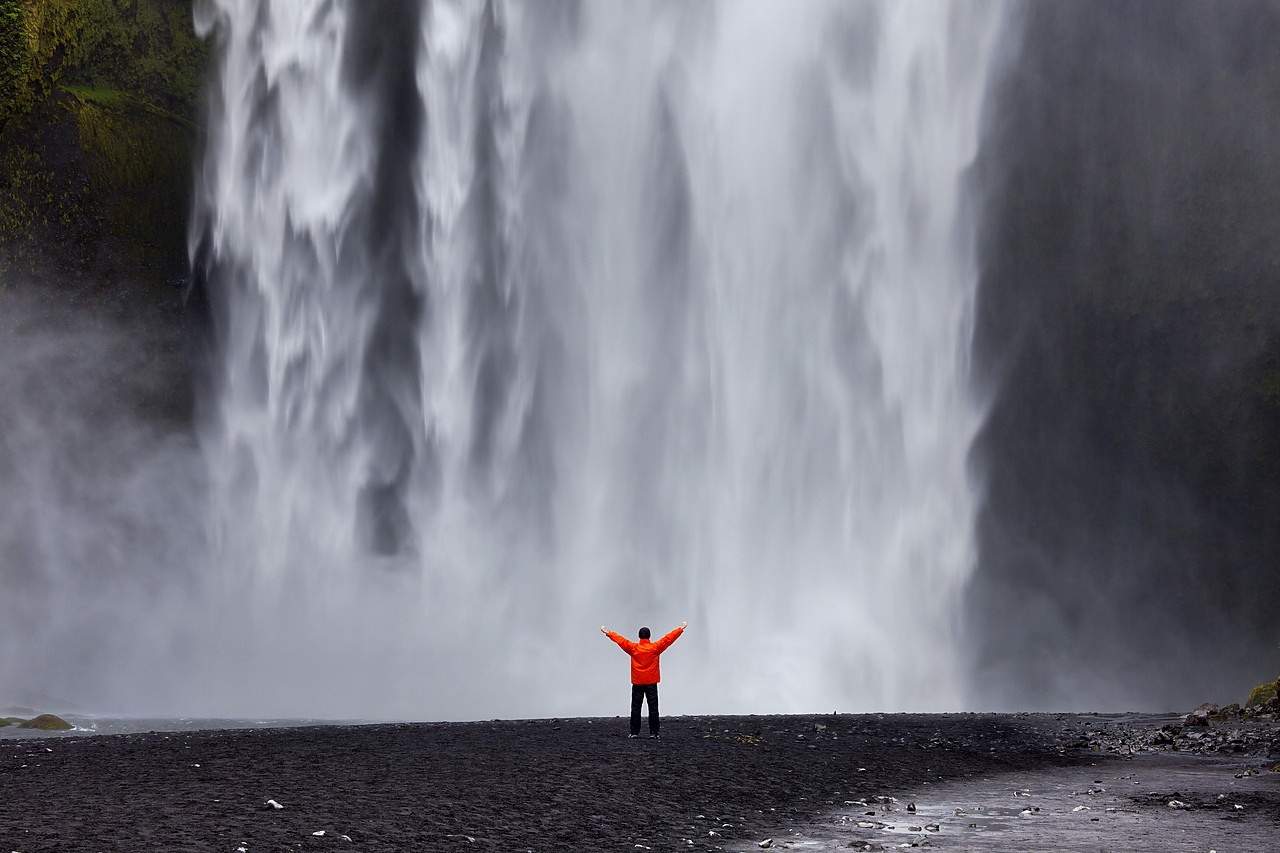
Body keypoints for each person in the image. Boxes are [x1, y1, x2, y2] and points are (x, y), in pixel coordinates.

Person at [601, 621, 686, 738]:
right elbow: (668, 639)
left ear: (639, 636)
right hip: (651, 682)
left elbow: (620, 640)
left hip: (638, 682)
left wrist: (607, 632)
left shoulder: (634, 648)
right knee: (653, 708)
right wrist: (681, 628)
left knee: (636, 708)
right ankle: (654, 733)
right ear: (649, 636)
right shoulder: (654, 648)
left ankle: (634, 732)